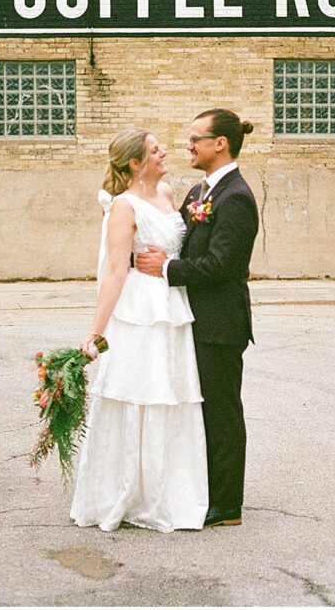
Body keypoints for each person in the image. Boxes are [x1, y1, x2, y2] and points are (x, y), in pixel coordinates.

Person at [71, 128, 208, 533]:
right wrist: (95, 332)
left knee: (172, 393)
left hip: (173, 304)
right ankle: (128, 491)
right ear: (135, 162)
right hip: (140, 309)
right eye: (154, 149)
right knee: (140, 393)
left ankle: (169, 491)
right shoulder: (123, 207)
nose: (164, 151)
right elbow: (116, 270)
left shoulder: (167, 194)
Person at [135, 109, 259, 529]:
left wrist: (166, 270)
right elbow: (183, 242)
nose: (188, 145)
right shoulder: (198, 193)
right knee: (198, 411)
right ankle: (202, 490)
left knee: (222, 412)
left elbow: (222, 265)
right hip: (191, 319)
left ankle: (227, 505)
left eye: (195, 139)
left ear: (219, 143)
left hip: (220, 324)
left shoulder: (236, 197)